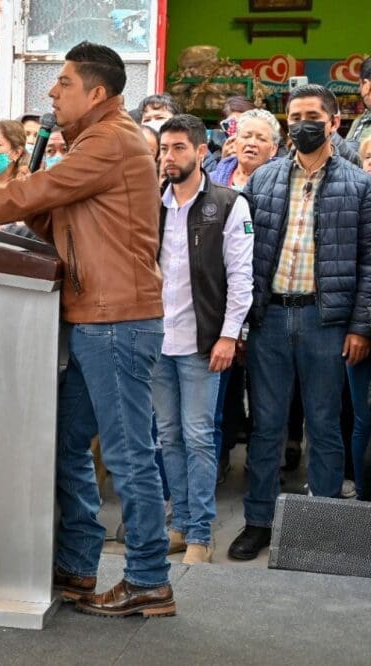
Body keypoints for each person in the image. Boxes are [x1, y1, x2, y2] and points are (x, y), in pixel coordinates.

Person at [0, 41, 173, 617]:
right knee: (66, 442)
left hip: (117, 322)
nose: (51, 90)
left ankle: (149, 579)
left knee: (128, 455)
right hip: (95, 319)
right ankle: (77, 563)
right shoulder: (91, 142)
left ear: (97, 93)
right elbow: (51, 216)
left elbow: (32, 195)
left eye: (64, 82)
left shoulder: (110, 141)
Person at [229, 84, 371, 561]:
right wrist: (241, 323)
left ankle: (321, 529)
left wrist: (360, 326)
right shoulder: (264, 180)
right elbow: (242, 256)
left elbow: (369, 262)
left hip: (325, 321)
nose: (302, 125)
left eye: (312, 116)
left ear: (334, 123)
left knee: (325, 426)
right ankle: (259, 521)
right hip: (270, 318)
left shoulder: (359, 186)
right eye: (294, 117)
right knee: (266, 426)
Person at [154, 115, 254, 565]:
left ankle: (200, 534)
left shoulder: (229, 204)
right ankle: (178, 523)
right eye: (164, 148)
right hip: (157, 339)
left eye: (178, 148)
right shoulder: (153, 204)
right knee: (168, 436)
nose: (168, 157)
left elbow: (241, 278)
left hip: (203, 341)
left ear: (200, 152)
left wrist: (229, 335)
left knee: (198, 437)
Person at [209, 108, 280, 191]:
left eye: (261, 139)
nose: (252, 143)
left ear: (273, 149)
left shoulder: (281, 185)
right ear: (235, 142)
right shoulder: (210, 181)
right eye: (246, 136)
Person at [346, 57, 371, 152]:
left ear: (366, 85)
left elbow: (350, 155)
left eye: (360, 84)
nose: (359, 90)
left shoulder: (362, 121)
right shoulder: (362, 119)